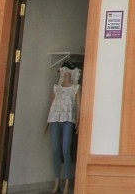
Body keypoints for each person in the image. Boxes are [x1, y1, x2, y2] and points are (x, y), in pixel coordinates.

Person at [46, 65, 81, 194]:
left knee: (66, 149)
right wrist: (47, 121)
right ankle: (57, 182)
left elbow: (78, 105)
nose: (66, 73)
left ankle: (66, 183)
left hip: (69, 120)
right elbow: (52, 104)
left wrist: (78, 120)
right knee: (55, 150)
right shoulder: (56, 88)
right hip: (55, 119)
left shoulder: (76, 88)